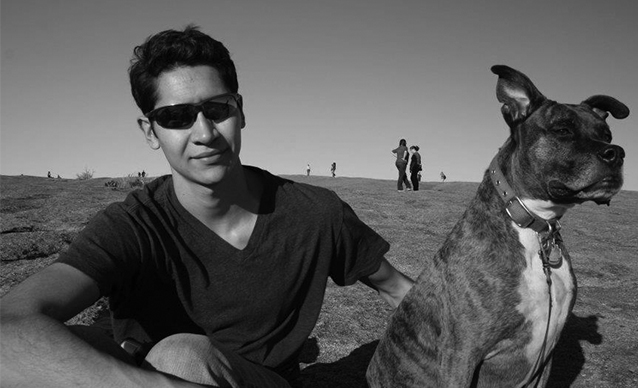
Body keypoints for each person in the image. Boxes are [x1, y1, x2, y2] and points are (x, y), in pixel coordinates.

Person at [0, 26, 414, 388]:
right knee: (75, 344)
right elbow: (8, 328)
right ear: (150, 131)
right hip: (150, 377)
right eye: (177, 116)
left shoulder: (316, 213)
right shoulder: (133, 225)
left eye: (217, 109)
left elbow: (398, 291)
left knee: (181, 356)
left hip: (256, 379)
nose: (204, 133)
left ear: (240, 111)